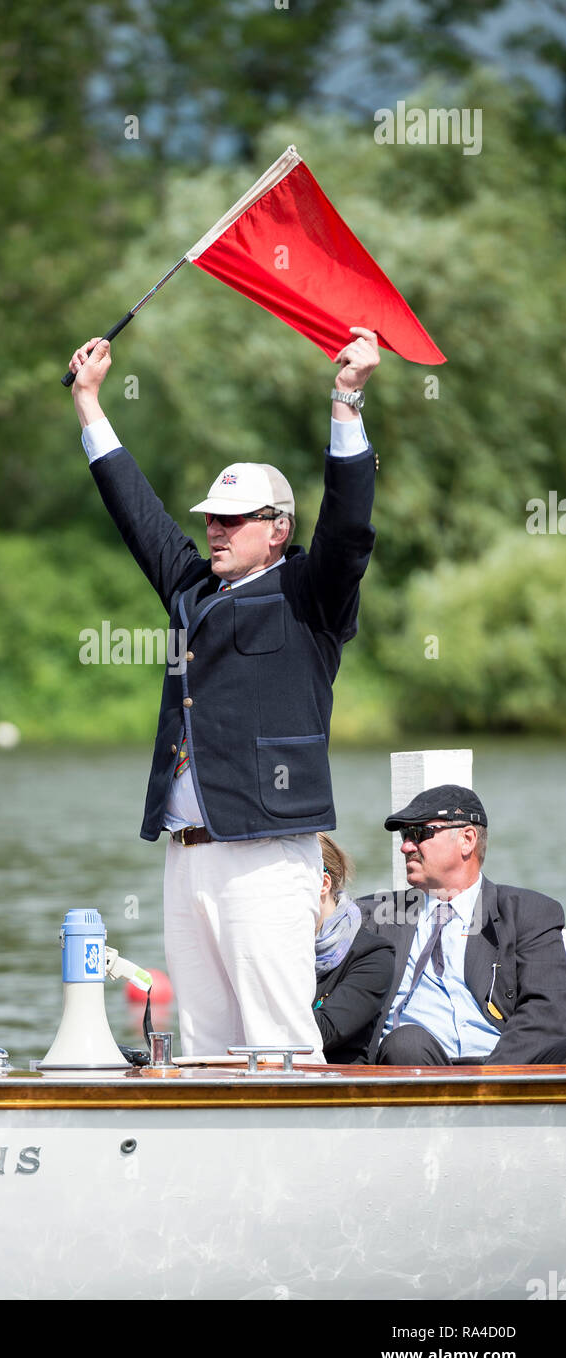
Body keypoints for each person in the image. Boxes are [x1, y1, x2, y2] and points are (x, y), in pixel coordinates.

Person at [67, 328, 380, 1061]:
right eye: (209, 517)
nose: (213, 528)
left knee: (278, 1045)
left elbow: (349, 522)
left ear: (276, 530)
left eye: (231, 520)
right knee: (206, 1046)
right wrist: (88, 402)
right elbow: (135, 511)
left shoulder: (311, 593)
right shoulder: (191, 588)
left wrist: (345, 399)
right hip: (187, 855)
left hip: (267, 853)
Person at [357, 784, 566, 1065]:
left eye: (420, 834)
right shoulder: (371, 915)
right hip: (412, 1063)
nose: (406, 846)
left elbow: (546, 1012)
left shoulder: (530, 913)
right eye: (405, 836)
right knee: (406, 1042)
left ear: (467, 839)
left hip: (499, 1068)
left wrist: (485, 1083)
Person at [313, 833, 395, 1064]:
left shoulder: (373, 955)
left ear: (322, 883)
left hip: (337, 1084)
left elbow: (326, 1031)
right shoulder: (266, 944)